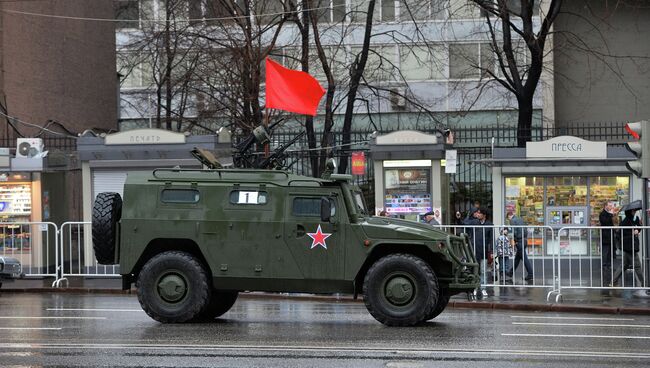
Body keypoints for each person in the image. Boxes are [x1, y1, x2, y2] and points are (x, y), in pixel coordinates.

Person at [611, 209, 645, 294]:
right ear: (629, 212)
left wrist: (640, 226)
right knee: (637, 266)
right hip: (629, 247)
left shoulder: (635, 218)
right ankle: (645, 284)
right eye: (633, 211)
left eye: (635, 211)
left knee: (623, 266)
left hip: (632, 246)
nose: (634, 212)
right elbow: (621, 234)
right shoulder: (625, 221)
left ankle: (613, 282)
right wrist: (632, 233)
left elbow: (638, 229)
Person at [464, 207, 493, 298]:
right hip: (474, 251)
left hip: (484, 250)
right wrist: (461, 217)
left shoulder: (489, 225)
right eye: (477, 213)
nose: (478, 214)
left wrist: (491, 251)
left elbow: (491, 239)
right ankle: (475, 288)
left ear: (484, 215)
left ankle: (483, 288)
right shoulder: (474, 222)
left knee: (483, 270)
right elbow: (464, 223)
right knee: (475, 270)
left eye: (480, 213)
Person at [506, 210, 533, 282]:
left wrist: (513, 240)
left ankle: (530, 274)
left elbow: (513, 232)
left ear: (509, 216)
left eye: (508, 219)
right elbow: (525, 230)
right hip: (524, 240)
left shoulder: (512, 221)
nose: (509, 220)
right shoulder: (520, 219)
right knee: (517, 259)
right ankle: (510, 273)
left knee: (525, 259)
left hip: (519, 241)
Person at [599, 201, 617, 286]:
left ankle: (608, 266)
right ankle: (605, 267)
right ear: (605, 206)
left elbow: (610, 224)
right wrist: (611, 215)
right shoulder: (602, 214)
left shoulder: (608, 214)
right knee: (605, 252)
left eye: (611, 206)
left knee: (609, 252)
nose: (611, 207)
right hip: (606, 237)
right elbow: (605, 222)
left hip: (610, 237)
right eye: (609, 206)